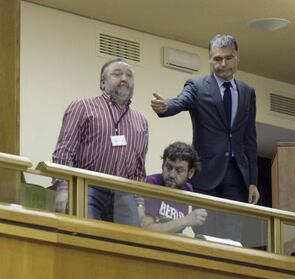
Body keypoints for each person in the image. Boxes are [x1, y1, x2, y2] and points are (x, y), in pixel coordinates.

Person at [151, 34, 259, 240]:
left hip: (237, 176)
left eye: (228, 58)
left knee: (233, 238)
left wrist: (253, 180)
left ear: (237, 58)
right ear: (210, 59)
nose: (223, 64)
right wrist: (165, 106)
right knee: (206, 235)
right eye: (217, 59)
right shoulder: (197, 86)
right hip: (206, 175)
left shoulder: (247, 92)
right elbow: (180, 101)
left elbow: (249, 138)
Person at [52, 58, 148, 226]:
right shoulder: (82, 107)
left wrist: (139, 203)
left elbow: (139, 169)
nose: (124, 78)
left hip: (124, 194)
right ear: (103, 83)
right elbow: (64, 151)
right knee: (86, 236)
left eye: (129, 75)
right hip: (87, 186)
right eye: (117, 74)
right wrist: (63, 188)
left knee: (132, 244)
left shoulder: (141, 121)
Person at [139, 142, 207, 233]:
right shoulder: (151, 184)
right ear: (163, 165)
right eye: (168, 167)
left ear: (190, 172)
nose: (172, 175)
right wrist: (185, 221)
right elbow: (147, 229)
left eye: (179, 170)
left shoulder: (187, 190)